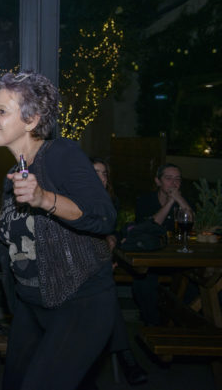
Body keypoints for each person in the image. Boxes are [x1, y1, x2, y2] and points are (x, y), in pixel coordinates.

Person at [0, 71, 117, 390]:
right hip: (31, 306)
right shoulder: (14, 176)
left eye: (2, 111)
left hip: (80, 303)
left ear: (31, 120)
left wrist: (44, 199)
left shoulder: (61, 155)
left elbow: (103, 217)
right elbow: (13, 247)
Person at [91, 158, 147, 386]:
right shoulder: (71, 200)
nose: (101, 177)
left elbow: (110, 232)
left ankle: (86, 369)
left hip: (99, 265)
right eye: (95, 172)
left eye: (104, 173)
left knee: (105, 296)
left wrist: (112, 237)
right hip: (72, 269)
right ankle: (125, 356)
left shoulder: (110, 202)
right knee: (104, 296)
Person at [133, 163, 193, 326]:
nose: (174, 183)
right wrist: (170, 202)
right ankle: (153, 325)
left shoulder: (184, 201)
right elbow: (151, 226)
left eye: (178, 179)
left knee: (193, 284)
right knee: (143, 283)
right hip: (151, 256)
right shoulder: (145, 200)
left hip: (177, 258)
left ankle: (178, 324)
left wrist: (179, 199)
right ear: (158, 181)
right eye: (169, 178)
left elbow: (190, 220)